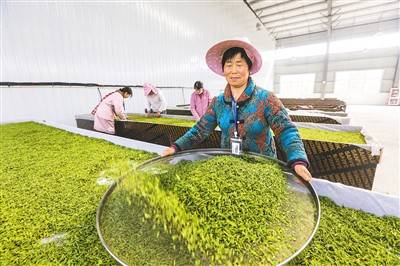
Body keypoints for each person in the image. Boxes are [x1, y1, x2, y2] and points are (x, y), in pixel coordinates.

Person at [162, 40, 312, 182]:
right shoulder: (218, 102)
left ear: (249, 68)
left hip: (262, 169)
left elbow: (286, 129)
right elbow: (200, 129)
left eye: (239, 64)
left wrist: (297, 160)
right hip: (230, 169)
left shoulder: (266, 98)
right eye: (229, 65)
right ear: (223, 69)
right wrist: (176, 147)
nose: (233, 71)